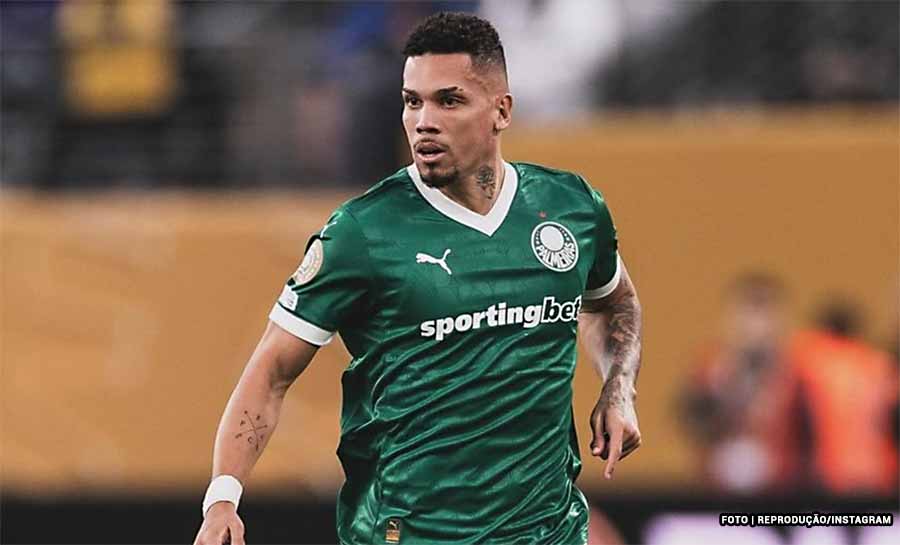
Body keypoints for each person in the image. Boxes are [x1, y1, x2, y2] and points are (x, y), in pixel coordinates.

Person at [193, 12, 642, 545]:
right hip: (412, 533)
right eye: (412, 101)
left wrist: (618, 387)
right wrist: (223, 497)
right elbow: (270, 371)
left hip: (548, 532)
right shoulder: (363, 232)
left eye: (448, 101)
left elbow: (613, 302)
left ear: (501, 111)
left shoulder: (570, 208)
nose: (424, 121)